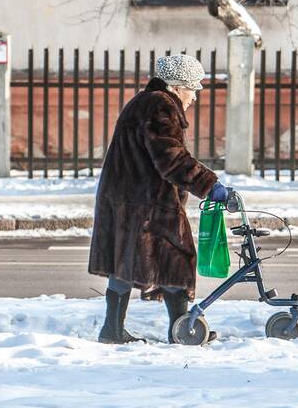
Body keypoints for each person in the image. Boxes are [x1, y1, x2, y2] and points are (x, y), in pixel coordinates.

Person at [88, 54, 230, 344]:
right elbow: (171, 158)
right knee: (175, 257)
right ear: (177, 86)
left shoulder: (144, 102)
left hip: (129, 198)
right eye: (193, 88)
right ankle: (182, 331)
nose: (194, 97)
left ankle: (113, 330)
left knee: (125, 262)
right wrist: (210, 185)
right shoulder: (161, 105)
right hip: (147, 203)